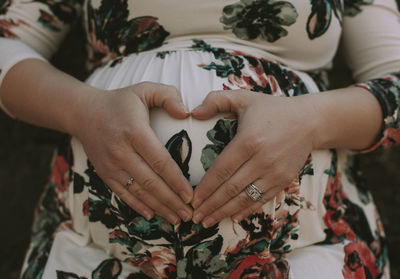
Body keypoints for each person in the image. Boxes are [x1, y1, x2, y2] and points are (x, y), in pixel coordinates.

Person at [0, 0, 399, 278]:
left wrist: (310, 122)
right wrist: (83, 111)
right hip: (91, 255)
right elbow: (7, 43)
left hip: (308, 255)